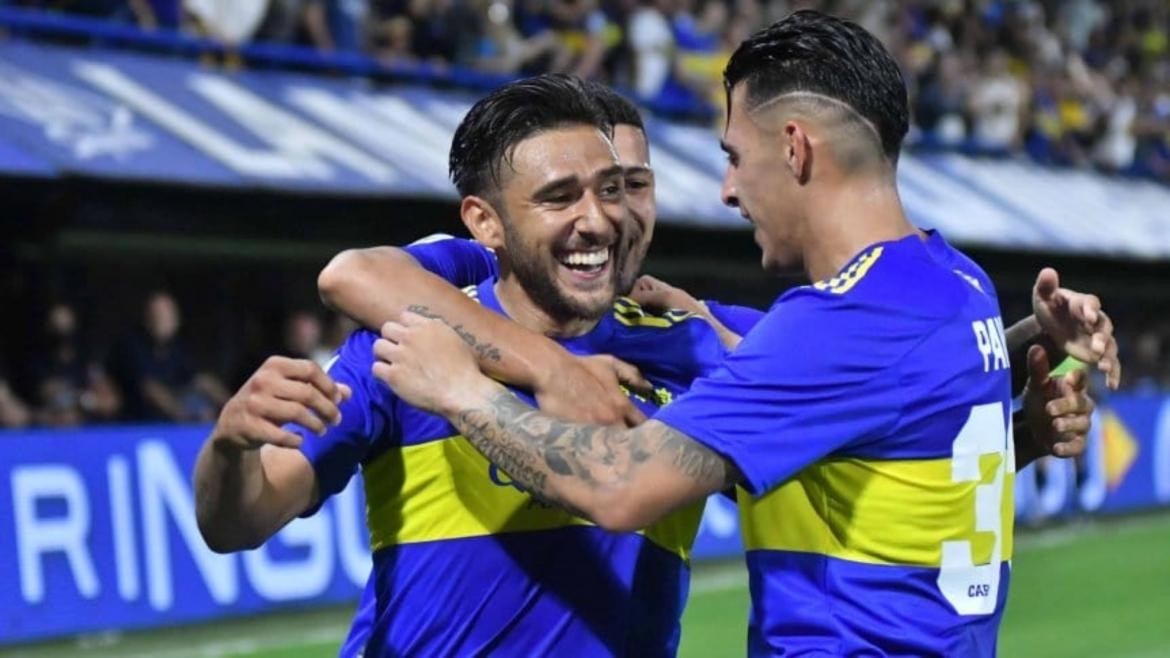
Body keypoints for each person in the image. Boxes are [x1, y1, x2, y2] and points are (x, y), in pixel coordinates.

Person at [368, 13, 1114, 656]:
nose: (727, 189)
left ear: (794, 149)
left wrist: (462, 392)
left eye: (734, 156)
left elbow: (623, 487)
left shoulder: (835, 328)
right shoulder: (957, 286)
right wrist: (1041, 383)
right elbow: (909, 450)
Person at [194, 74, 730, 657]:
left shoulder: (688, 351)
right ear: (484, 223)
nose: (598, 220)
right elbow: (237, 524)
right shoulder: (406, 344)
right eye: (559, 197)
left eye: (611, 189)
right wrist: (229, 448)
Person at [108, 291, 229, 422]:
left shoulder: (178, 347)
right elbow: (150, 389)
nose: (164, 321)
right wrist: (185, 416)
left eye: (169, 316)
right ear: (147, 319)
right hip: (137, 423)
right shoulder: (131, 346)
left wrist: (229, 406)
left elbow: (199, 379)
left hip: (173, 417)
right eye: (158, 315)